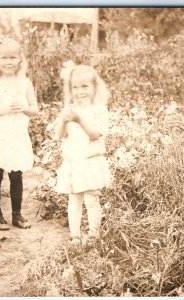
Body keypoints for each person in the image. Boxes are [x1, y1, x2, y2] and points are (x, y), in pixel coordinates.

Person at [0, 37, 39, 230]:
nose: (8, 61)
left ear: (20, 59)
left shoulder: (25, 83)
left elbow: (35, 108)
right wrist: (4, 109)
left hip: (17, 135)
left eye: (13, 57)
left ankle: (17, 215)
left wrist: (24, 107)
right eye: (4, 57)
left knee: (16, 175)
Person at [54, 62, 111, 249]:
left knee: (91, 198)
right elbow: (59, 135)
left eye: (85, 86)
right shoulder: (70, 110)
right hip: (74, 162)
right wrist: (64, 121)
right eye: (75, 87)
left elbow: (95, 134)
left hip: (89, 160)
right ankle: (75, 236)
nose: (80, 91)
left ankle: (94, 233)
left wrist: (79, 120)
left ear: (94, 87)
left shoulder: (99, 109)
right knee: (74, 199)